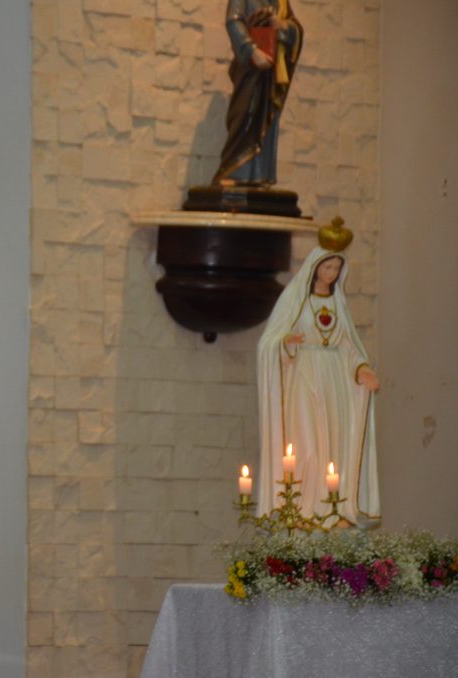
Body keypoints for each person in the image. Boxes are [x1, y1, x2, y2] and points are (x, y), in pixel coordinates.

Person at [256, 223, 379, 526]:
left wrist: (361, 369)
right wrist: (286, 344)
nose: (332, 272)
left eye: (337, 267)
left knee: (334, 441)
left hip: (334, 381)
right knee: (306, 441)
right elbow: (269, 341)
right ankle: (303, 507)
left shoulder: (338, 304)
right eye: (327, 266)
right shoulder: (297, 301)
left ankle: (332, 508)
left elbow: (349, 345)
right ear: (315, 267)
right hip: (304, 379)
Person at [212, 0, 303, 186]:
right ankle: (234, 171)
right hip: (250, 69)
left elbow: (296, 28)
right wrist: (251, 51)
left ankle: (260, 176)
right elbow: (233, 21)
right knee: (246, 113)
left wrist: (283, 26)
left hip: (271, 70)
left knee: (266, 121)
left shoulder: (281, 2)